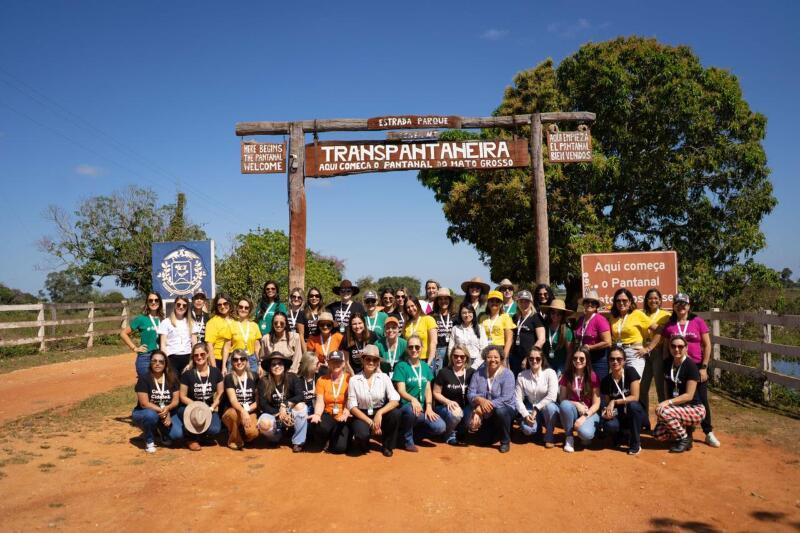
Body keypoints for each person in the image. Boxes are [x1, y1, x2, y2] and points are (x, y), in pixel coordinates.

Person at [660, 293, 719, 447]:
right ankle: (684, 433)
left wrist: (704, 367)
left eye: (684, 304)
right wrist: (666, 365)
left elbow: (707, 345)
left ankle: (708, 432)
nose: (681, 306)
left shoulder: (697, 321)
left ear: (689, 306)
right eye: (678, 304)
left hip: (696, 366)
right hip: (676, 366)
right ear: (673, 306)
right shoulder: (670, 325)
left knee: (701, 399)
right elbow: (666, 347)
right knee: (679, 398)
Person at [654, 334, 707, 453]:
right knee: (658, 434)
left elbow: (689, 395)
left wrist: (667, 403)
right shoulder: (668, 363)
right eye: (673, 346)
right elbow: (667, 387)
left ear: (686, 348)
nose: (676, 349)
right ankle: (685, 431)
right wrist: (666, 408)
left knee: (663, 411)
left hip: (695, 409)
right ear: (669, 348)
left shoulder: (690, 366)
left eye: (680, 346)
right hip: (678, 408)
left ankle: (684, 439)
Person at [347, 345, 402, 456]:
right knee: (361, 434)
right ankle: (363, 442)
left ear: (378, 363)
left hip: (380, 411)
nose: (371, 362)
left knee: (395, 414)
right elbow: (352, 407)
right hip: (362, 414)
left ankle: (387, 445)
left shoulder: (384, 377)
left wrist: (380, 413)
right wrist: (371, 423)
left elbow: (395, 400)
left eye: (375, 360)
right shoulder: (354, 380)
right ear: (362, 360)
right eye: (368, 359)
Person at [393, 335, 445, 452]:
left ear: (422, 348)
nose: (414, 350)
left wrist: (429, 407)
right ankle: (408, 441)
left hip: (421, 410)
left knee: (440, 427)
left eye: (417, 347)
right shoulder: (401, 366)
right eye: (411, 347)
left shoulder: (425, 366)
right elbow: (401, 390)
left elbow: (428, 389)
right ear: (407, 349)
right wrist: (413, 399)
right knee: (411, 411)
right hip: (406, 408)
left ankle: (407, 436)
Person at [467, 345, 516, 453]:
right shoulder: (478, 374)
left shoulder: (508, 374)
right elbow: (470, 394)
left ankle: (505, 441)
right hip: (486, 411)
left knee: (500, 411)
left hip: (505, 408)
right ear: (485, 358)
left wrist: (482, 408)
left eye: (496, 357)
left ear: (501, 359)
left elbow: (506, 398)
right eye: (489, 357)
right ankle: (498, 431)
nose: (492, 360)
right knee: (482, 441)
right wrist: (480, 401)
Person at [131, 350, 183, 453]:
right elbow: (144, 403)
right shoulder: (144, 378)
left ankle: (162, 431)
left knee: (178, 435)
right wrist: (163, 411)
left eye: (161, 361)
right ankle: (149, 440)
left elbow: (176, 400)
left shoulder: (172, 378)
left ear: (165, 364)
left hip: (167, 411)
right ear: (150, 363)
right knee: (150, 416)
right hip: (146, 412)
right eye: (154, 361)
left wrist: (168, 409)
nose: (157, 364)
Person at [256, 352, 308, 452]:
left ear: (284, 366)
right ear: (269, 367)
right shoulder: (263, 381)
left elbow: (301, 396)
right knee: (264, 423)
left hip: (289, 412)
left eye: (280, 363)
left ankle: (298, 442)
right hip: (273, 414)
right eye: (273, 364)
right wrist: (279, 414)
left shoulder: (292, 377)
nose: (277, 366)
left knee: (301, 406)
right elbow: (263, 404)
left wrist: (285, 405)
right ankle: (275, 438)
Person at [599, 346, 645, 455]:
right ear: (608, 361)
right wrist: (606, 412)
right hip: (618, 413)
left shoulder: (630, 372)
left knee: (633, 406)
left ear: (624, 361)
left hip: (633, 412)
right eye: (612, 359)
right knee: (610, 425)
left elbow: (635, 397)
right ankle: (621, 434)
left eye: (619, 359)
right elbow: (607, 404)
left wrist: (615, 401)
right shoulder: (606, 381)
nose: (615, 362)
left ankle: (635, 443)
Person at [179, 342, 224, 451]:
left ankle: (202, 436)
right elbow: (182, 396)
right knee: (193, 416)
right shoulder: (188, 374)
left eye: (202, 354)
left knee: (215, 429)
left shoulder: (215, 372)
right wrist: (196, 405)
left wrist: (212, 407)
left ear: (207, 354)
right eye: (196, 355)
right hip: (189, 407)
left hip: (208, 408)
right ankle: (190, 438)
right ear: (193, 357)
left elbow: (220, 392)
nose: (199, 357)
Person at [639, 289, 671, 429]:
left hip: (659, 352)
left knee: (660, 388)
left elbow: (666, 334)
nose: (653, 300)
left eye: (656, 298)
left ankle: (663, 421)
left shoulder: (666, 315)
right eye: (650, 298)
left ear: (660, 300)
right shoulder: (641, 314)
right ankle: (644, 421)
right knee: (642, 388)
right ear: (646, 300)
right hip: (643, 354)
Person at [558, 346, 601, 452]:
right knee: (564, 405)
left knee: (585, 434)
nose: (578, 361)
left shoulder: (593, 376)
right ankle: (569, 437)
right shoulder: (567, 375)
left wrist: (584, 417)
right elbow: (562, 399)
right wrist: (577, 404)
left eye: (581, 358)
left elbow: (596, 403)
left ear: (587, 361)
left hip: (589, 412)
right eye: (575, 358)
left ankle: (584, 434)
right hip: (574, 410)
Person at [609, 288, 660, 378]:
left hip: (634, 353)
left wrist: (648, 348)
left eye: (624, 300)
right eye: (618, 300)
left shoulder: (637, 314)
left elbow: (659, 330)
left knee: (634, 381)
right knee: (621, 382)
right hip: (618, 354)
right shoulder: (613, 317)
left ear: (630, 301)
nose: (621, 303)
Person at [515, 346, 560, 447]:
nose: (534, 361)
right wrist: (525, 415)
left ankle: (549, 434)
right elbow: (517, 399)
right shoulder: (521, 375)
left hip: (547, 407)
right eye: (531, 358)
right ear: (528, 360)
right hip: (530, 407)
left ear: (542, 359)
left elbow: (552, 396)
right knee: (528, 430)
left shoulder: (550, 373)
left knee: (550, 407)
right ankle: (537, 427)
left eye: (538, 358)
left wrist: (536, 408)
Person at [309, 351, 351, 454]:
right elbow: (320, 401)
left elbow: (351, 399)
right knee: (319, 427)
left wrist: (346, 411)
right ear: (328, 363)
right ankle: (327, 438)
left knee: (340, 448)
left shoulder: (349, 379)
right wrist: (317, 414)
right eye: (332, 362)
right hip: (328, 413)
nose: (335, 364)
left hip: (343, 416)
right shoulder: (322, 380)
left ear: (343, 363)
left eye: (338, 362)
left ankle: (341, 436)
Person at [432, 344, 475, 446]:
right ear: (451, 357)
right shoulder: (444, 372)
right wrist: (448, 402)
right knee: (456, 413)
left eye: (462, 357)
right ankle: (449, 434)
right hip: (445, 408)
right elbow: (436, 393)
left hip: (465, 407)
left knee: (473, 412)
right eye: (455, 356)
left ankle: (461, 430)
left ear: (466, 358)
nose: (458, 359)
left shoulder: (472, 372)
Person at [221, 349, 259, 450]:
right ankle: (234, 440)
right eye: (235, 359)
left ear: (246, 360)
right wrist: (242, 411)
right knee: (233, 414)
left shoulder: (254, 376)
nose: (239, 362)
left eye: (242, 359)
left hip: (250, 411)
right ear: (232, 362)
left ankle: (241, 433)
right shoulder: (229, 378)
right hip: (234, 411)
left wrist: (246, 411)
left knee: (252, 433)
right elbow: (233, 400)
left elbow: (258, 401)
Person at [121, 291, 164, 378]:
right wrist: (134, 348)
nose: (153, 302)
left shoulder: (163, 319)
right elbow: (123, 333)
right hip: (145, 358)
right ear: (147, 303)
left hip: (160, 357)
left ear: (159, 302)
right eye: (150, 300)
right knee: (145, 384)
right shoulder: (141, 319)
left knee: (158, 385)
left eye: (156, 300)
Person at [574, 289, 612, 381]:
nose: (590, 304)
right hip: (583, 359)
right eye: (587, 302)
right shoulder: (581, 319)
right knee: (586, 385)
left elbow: (608, 342)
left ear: (597, 306)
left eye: (593, 303)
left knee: (599, 385)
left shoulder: (600, 320)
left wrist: (590, 347)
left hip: (598, 360)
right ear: (584, 304)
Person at [509, 290, 545, 376]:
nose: (523, 304)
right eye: (521, 301)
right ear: (517, 303)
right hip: (515, 357)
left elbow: (541, 339)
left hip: (530, 359)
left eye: (527, 301)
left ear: (531, 303)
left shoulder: (536, 317)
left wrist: (529, 357)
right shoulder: (515, 317)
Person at [157, 295, 196, 375]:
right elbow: (163, 345)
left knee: (187, 382)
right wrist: (167, 363)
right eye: (178, 304)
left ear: (187, 307)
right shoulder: (166, 322)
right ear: (174, 305)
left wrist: (191, 362)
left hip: (188, 358)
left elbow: (194, 344)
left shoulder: (191, 323)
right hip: (171, 359)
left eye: (184, 305)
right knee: (174, 383)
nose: (181, 307)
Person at [448, 301, 489, 369]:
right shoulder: (455, 329)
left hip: (477, 362)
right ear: (460, 314)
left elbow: (484, 348)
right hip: (459, 361)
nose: (467, 315)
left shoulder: (480, 328)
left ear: (473, 313)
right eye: (464, 313)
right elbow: (451, 348)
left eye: (469, 312)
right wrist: (454, 363)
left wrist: (475, 366)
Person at [539, 299, 575, 375]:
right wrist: (545, 364)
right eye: (553, 312)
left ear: (563, 315)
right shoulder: (544, 328)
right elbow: (541, 349)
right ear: (549, 313)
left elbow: (570, 352)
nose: (555, 315)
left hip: (561, 365)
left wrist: (565, 370)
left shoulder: (567, 331)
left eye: (559, 313)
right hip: (547, 363)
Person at [480, 291, 515, 361]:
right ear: (488, 303)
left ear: (501, 304)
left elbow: (509, 340)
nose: (494, 303)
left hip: (499, 351)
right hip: (485, 350)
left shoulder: (506, 317)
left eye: (497, 301)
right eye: (492, 301)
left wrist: (504, 357)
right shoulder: (482, 318)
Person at [230, 298, 262, 374]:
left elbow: (257, 347)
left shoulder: (254, 325)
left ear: (249, 310)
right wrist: (224, 366)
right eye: (240, 307)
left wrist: (259, 363)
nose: (243, 309)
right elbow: (227, 346)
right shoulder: (231, 324)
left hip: (251, 360)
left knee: (252, 381)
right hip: (236, 359)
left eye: (246, 308)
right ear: (237, 308)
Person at [403, 296, 438, 363]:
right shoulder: (407, 323)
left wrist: (429, 362)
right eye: (408, 307)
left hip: (426, 359)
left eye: (412, 306)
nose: (410, 309)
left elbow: (433, 342)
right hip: (411, 360)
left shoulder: (428, 319)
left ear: (418, 305)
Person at [204, 293, 233, 373]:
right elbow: (209, 346)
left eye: (225, 303)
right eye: (219, 305)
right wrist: (214, 369)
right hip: (219, 360)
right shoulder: (212, 322)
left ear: (229, 303)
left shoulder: (236, 320)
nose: (222, 306)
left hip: (236, 359)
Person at [430, 287, 456, 375]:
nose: (443, 301)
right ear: (437, 301)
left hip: (451, 350)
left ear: (450, 300)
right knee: (438, 376)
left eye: (446, 299)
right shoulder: (432, 316)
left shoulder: (455, 316)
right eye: (440, 299)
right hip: (437, 351)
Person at [286, 287, 308, 353]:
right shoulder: (286, 313)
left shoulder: (305, 314)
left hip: (301, 345)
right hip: (288, 345)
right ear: (291, 298)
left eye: (299, 297)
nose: (296, 299)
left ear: (302, 299)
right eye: (294, 297)